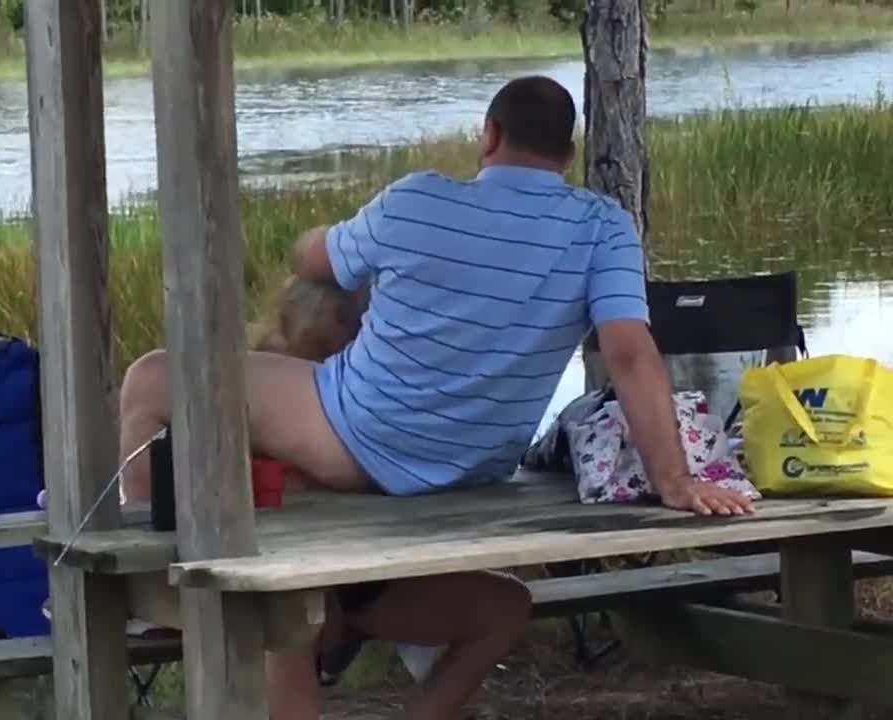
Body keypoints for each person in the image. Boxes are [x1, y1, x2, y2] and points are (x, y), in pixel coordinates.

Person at [116, 75, 754, 720]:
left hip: (355, 438)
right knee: (480, 601)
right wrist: (675, 479)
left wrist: (314, 237)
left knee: (152, 379)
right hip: (473, 466)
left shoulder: (417, 199)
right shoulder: (603, 226)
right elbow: (630, 352)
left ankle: (148, 588)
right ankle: (347, 633)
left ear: (489, 134)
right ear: (567, 152)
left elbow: (312, 261)